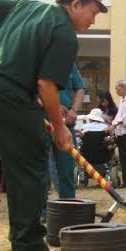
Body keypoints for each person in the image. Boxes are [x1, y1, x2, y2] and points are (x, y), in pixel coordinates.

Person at [0, 0, 106, 251]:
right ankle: (28, 247)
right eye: (92, 12)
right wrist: (61, 129)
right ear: (75, 5)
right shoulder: (64, 33)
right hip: (7, 93)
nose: (93, 20)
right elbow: (47, 84)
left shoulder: (28, 7)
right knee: (29, 167)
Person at [47, 62, 85, 200]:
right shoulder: (36, 58)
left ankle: (68, 205)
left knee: (67, 169)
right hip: (42, 121)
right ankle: (41, 212)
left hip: (66, 123)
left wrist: (74, 110)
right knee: (41, 170)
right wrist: (52, 106)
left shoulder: (70, 64)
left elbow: (80, 89)